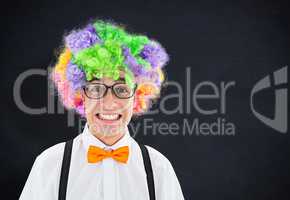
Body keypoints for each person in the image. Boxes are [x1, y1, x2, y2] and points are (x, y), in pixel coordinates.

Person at [19, 19, 185, 200]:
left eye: (121, 89)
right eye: (97, 88)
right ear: (80, 94)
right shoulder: (50, 165)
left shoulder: (159, 168)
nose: (109, 103)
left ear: (136, 96)